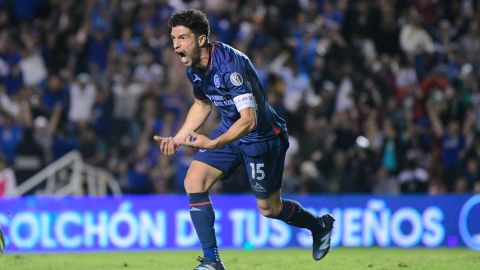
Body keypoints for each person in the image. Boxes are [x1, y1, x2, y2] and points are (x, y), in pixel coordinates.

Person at [154, 9, 334, 270]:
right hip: (231, 130)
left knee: (270, 209)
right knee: (193, 178)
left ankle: (318, 225)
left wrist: (214, 143)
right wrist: (179, 137)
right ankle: (212, 261)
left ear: (201, 40)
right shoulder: (194, 68)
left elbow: (249, 120)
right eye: (173, 38)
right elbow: (202, 105)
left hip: (261, 138)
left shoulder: (229, 66)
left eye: (182, 38)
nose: (175, 46)